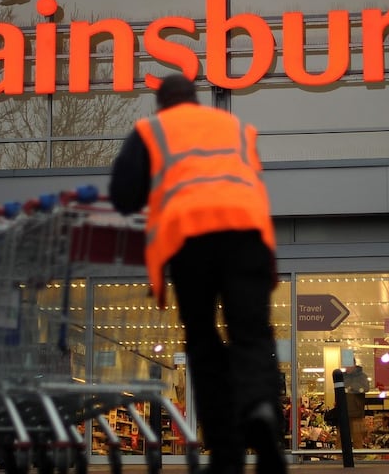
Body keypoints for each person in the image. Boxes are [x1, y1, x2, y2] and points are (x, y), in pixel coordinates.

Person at [109, 74, 286, 474]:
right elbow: (251, 185)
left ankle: (225, 450)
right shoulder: (235, 128)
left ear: (162, 104)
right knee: (252, 335)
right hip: (247, 237)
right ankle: (261, 410)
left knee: (204, 340)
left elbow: (123, 194)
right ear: (197, 100)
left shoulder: (152, 131)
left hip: (191, 242)